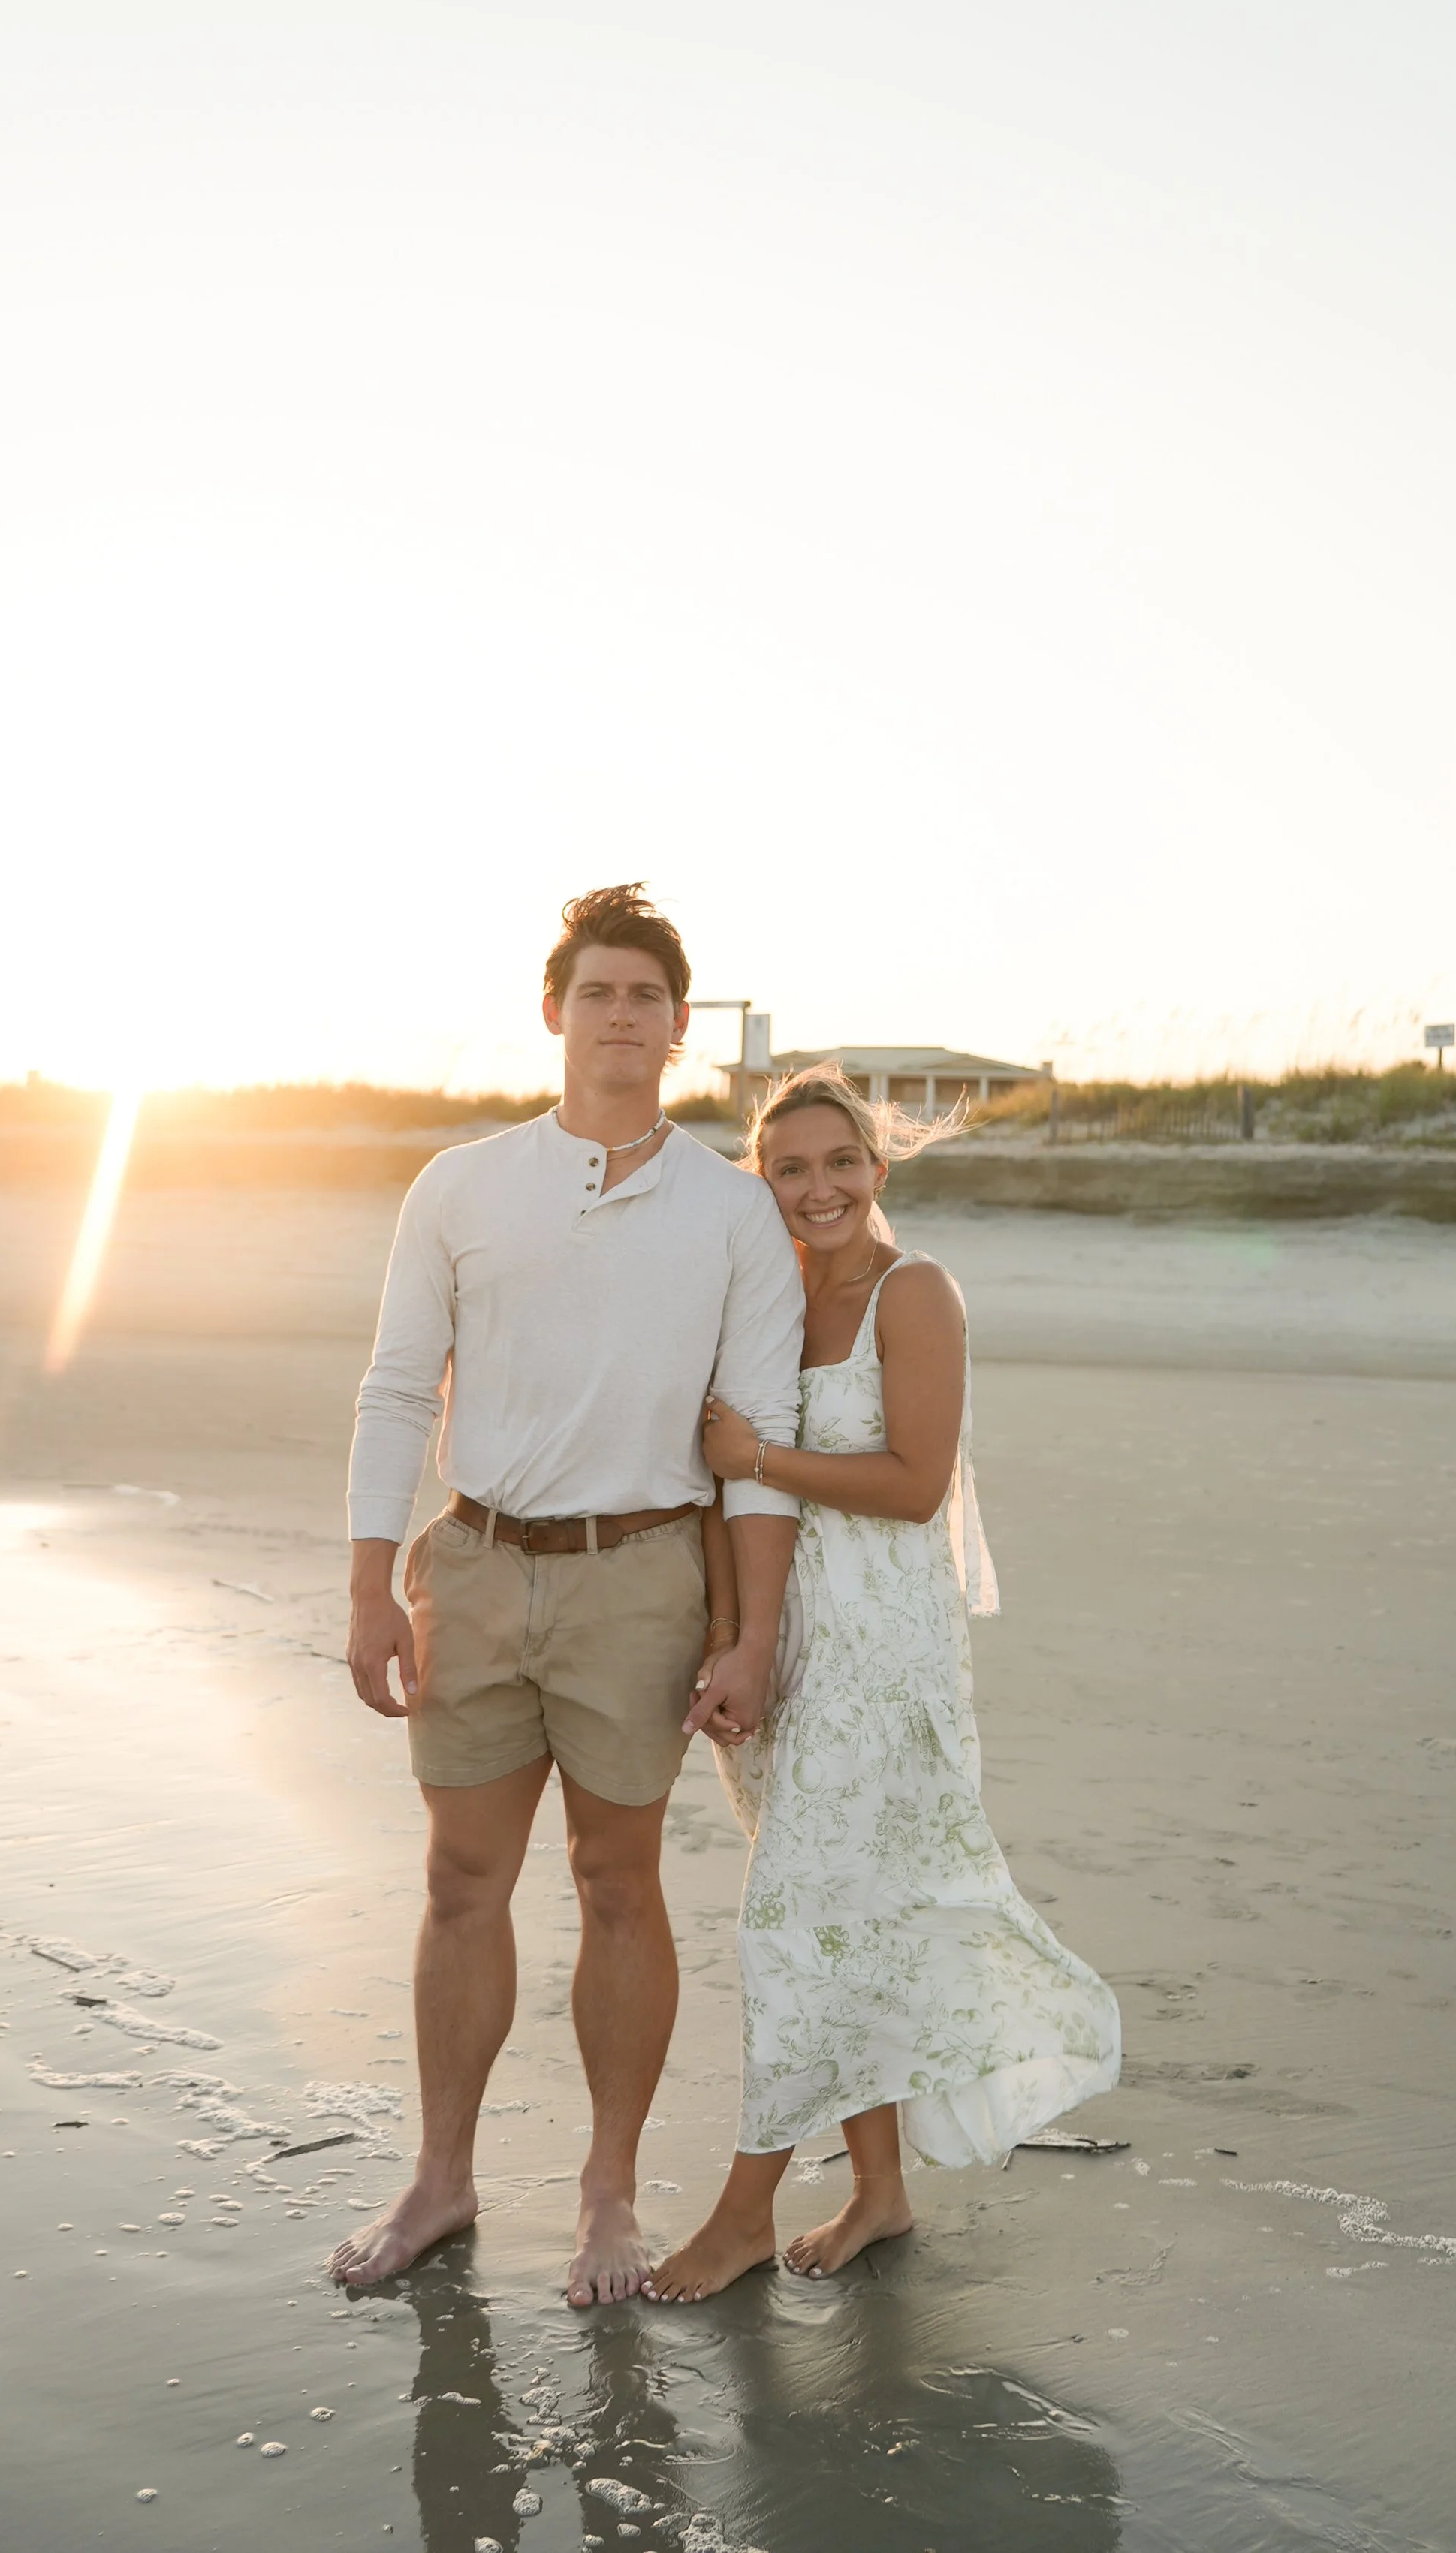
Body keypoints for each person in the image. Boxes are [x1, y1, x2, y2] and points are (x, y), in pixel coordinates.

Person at [328, 885, 803, 2307]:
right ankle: (443, 2176)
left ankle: (608, 2192)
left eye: (646, 997)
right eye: (596, 991)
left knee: (618, 1882)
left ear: (677, 1028)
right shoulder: (461, 1185)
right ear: (555, 1010)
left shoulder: (733, 1212)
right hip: (470, 1565)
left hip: (641, 1575)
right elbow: (399, 1388)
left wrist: (752, 1633)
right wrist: (367, 1585)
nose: (620, 1016)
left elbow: (759, 1441)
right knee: (459, 1880)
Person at [644, 1066, 1121, 2301]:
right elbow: (719, 1488)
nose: (817, 1189)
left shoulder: (918, 1295)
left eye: (838, 1164)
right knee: (857, 1917)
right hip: (789, 1645)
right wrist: (735, 1634)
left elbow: (914, 1482)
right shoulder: (767, 1299)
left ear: (879, 1169)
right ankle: (882, 2189)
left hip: (884, 1660)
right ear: (765, 1182)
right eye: (789, 1170)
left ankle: (744, 2211)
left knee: (791, 1921)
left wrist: (763, 1452)